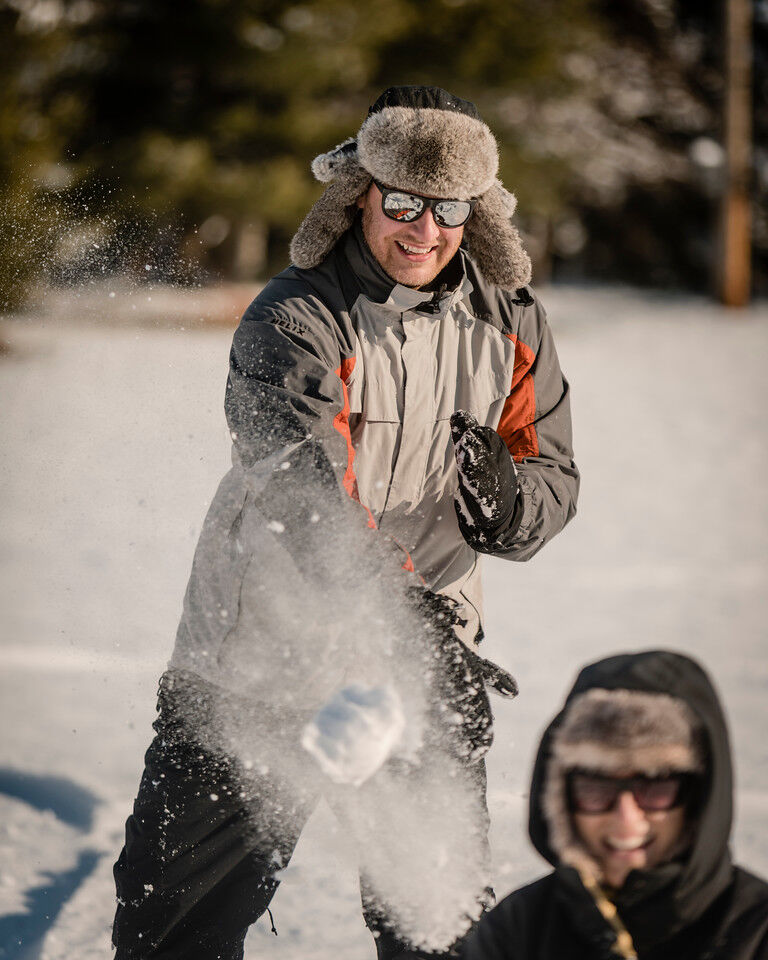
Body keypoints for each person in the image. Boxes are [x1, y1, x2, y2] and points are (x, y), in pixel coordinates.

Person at [112, 85, 579, 960]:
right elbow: (301, 494)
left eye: (447, 208)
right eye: (402, 201)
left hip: (426, 667)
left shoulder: (512, 320)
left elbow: (552, 468)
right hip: (256, 662)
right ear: (362, 193)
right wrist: (406, 627)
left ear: (475, 211)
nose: (423, 230)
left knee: (438, 931)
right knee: (173, 930)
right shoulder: (293, 316)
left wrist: (515, 508)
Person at [464, 649, 768, 960]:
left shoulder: (756, 934)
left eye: (655, 787)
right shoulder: (517, 930)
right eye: (596, 788)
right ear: (560, 796)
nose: (626, 817)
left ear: (699, 794)